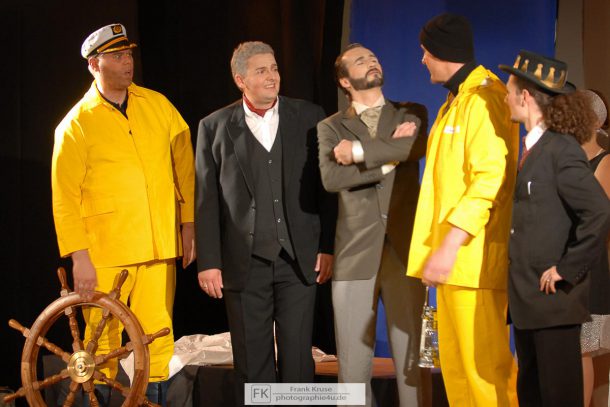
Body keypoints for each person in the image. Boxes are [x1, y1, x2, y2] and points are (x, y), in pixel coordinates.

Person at [52, 24, 195, 406]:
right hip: (106, 252)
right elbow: (64, 198)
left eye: (128, 54)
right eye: (116, 56)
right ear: (94, 65)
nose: (127, 62)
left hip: (157, 243)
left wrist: (188, 222)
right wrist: (79, 257)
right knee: (102, 342)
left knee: (158, 336)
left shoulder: (158, 105)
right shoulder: (76, 124)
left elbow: (185, 165)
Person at [195, 41, 337, 405]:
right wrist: (209, 261)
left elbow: (326, 190)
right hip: (244, 262)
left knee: (297, 358)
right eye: (261, 71)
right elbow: (206, 200)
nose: (272, 76)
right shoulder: (214, 127)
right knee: (252, 361)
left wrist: (328, 247)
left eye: (274, 68)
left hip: (299, 259)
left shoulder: (310, 116)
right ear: (240, 80)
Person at [407, 13, 519, 406]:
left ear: (443, 51)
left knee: (484, 374)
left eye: (425, 51)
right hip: (454, 267)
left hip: (473, 263)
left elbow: (489, 180)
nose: (422, 59)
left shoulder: (485, 99)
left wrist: (450, 246)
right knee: (457, 373)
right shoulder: (456, 101)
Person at [317, 43, 428, 406]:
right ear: (344, 80)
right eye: (361, 60)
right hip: (354, 253)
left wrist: (358, 154)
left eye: (374, 57)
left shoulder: (411, 112)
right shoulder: (330, 127)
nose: (372, 61)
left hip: (404, 251)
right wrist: (389, 160)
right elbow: (332, 179)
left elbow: (413, 149)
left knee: (411, 362)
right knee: (352, 366)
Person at [500, 50, 610, 406]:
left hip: (553, 304)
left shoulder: (560, 149)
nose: (505, 98)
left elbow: (598, 210)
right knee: (532, 395)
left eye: (508, 90)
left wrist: (566, 268)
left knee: (558, 397)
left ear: (525, 96)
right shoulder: (533, 148)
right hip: (529, 302)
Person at [580, 89, 610, 407]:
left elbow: (596, 218)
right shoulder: (565, 160)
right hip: (560, 264)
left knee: (581, 350)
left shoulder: (605, 161)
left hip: (588, 265)